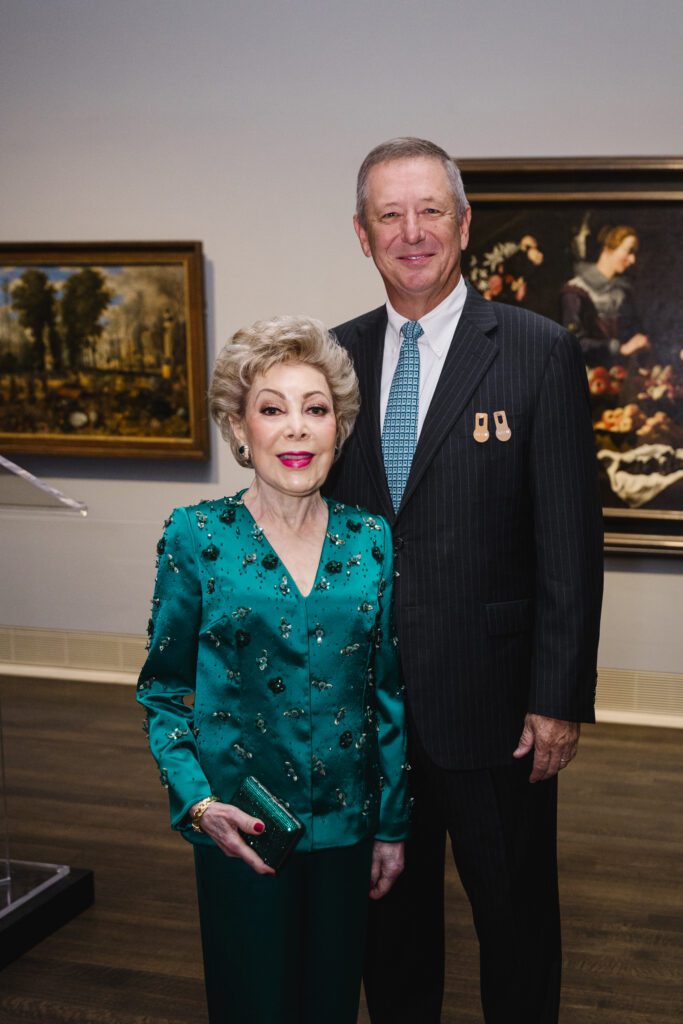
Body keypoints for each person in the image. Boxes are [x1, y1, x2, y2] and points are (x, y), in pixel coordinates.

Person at [324, 138, 604, 1024]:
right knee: (389, 929)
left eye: (430, 211)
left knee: (514, 924)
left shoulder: (535, 350)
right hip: (369, 712)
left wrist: (556, 698)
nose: (411, 232)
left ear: (464, 223)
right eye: (389, 215)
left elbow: (569, 541)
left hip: (496, 710)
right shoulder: (330, 361)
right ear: (362, 234)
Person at [137, 314, 410, 1024]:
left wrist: (390, 827)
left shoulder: (370, 539)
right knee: (252, 1003)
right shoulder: (196, 534)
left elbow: (385, 694)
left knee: (330, 1004)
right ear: (238, 426)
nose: (296, 429)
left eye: (315, 409)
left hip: (347, 832)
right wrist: (200, 805)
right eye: (272, 409)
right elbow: (163, 691)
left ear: (338, 429)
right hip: (242, 831)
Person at [561, 224, 650, 366]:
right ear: (608, 248)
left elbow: (634, 331)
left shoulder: (623, 292)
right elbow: (573, 343)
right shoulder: (576, 290)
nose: (633, 259)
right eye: (629, 251)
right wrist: (618, 348)